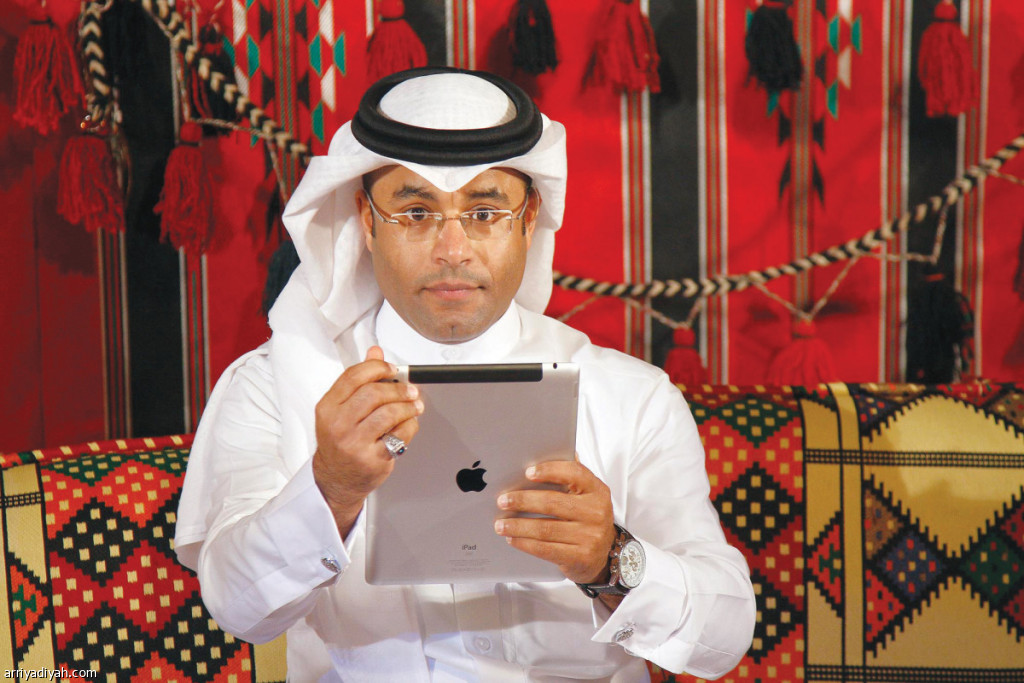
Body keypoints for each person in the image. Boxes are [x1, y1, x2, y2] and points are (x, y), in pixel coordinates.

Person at [174, 66, 755, 682]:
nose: (453, 250)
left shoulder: (633, 397)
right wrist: (331, 489)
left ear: (528, 219)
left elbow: (724, 637)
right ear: (366, 221)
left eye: (484, 212)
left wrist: (610, 560)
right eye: (415, 212)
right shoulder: (275, 385)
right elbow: (237, 608)